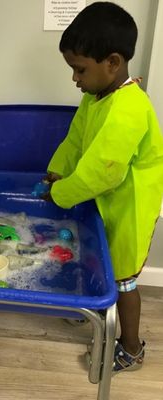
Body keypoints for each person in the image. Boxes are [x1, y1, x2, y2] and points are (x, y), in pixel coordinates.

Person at [44, 2, 163, 373]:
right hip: (104, 203)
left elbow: (104, 173)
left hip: (129, 208)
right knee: (96, 257)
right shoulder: (94, 97)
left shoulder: (129, 106)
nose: (75, 79)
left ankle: (131, 348)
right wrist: (55, 173)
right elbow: (75, 142)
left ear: (112, 62)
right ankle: (95, 310)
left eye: (80, 69)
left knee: (123, 279)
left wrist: (61, 195)